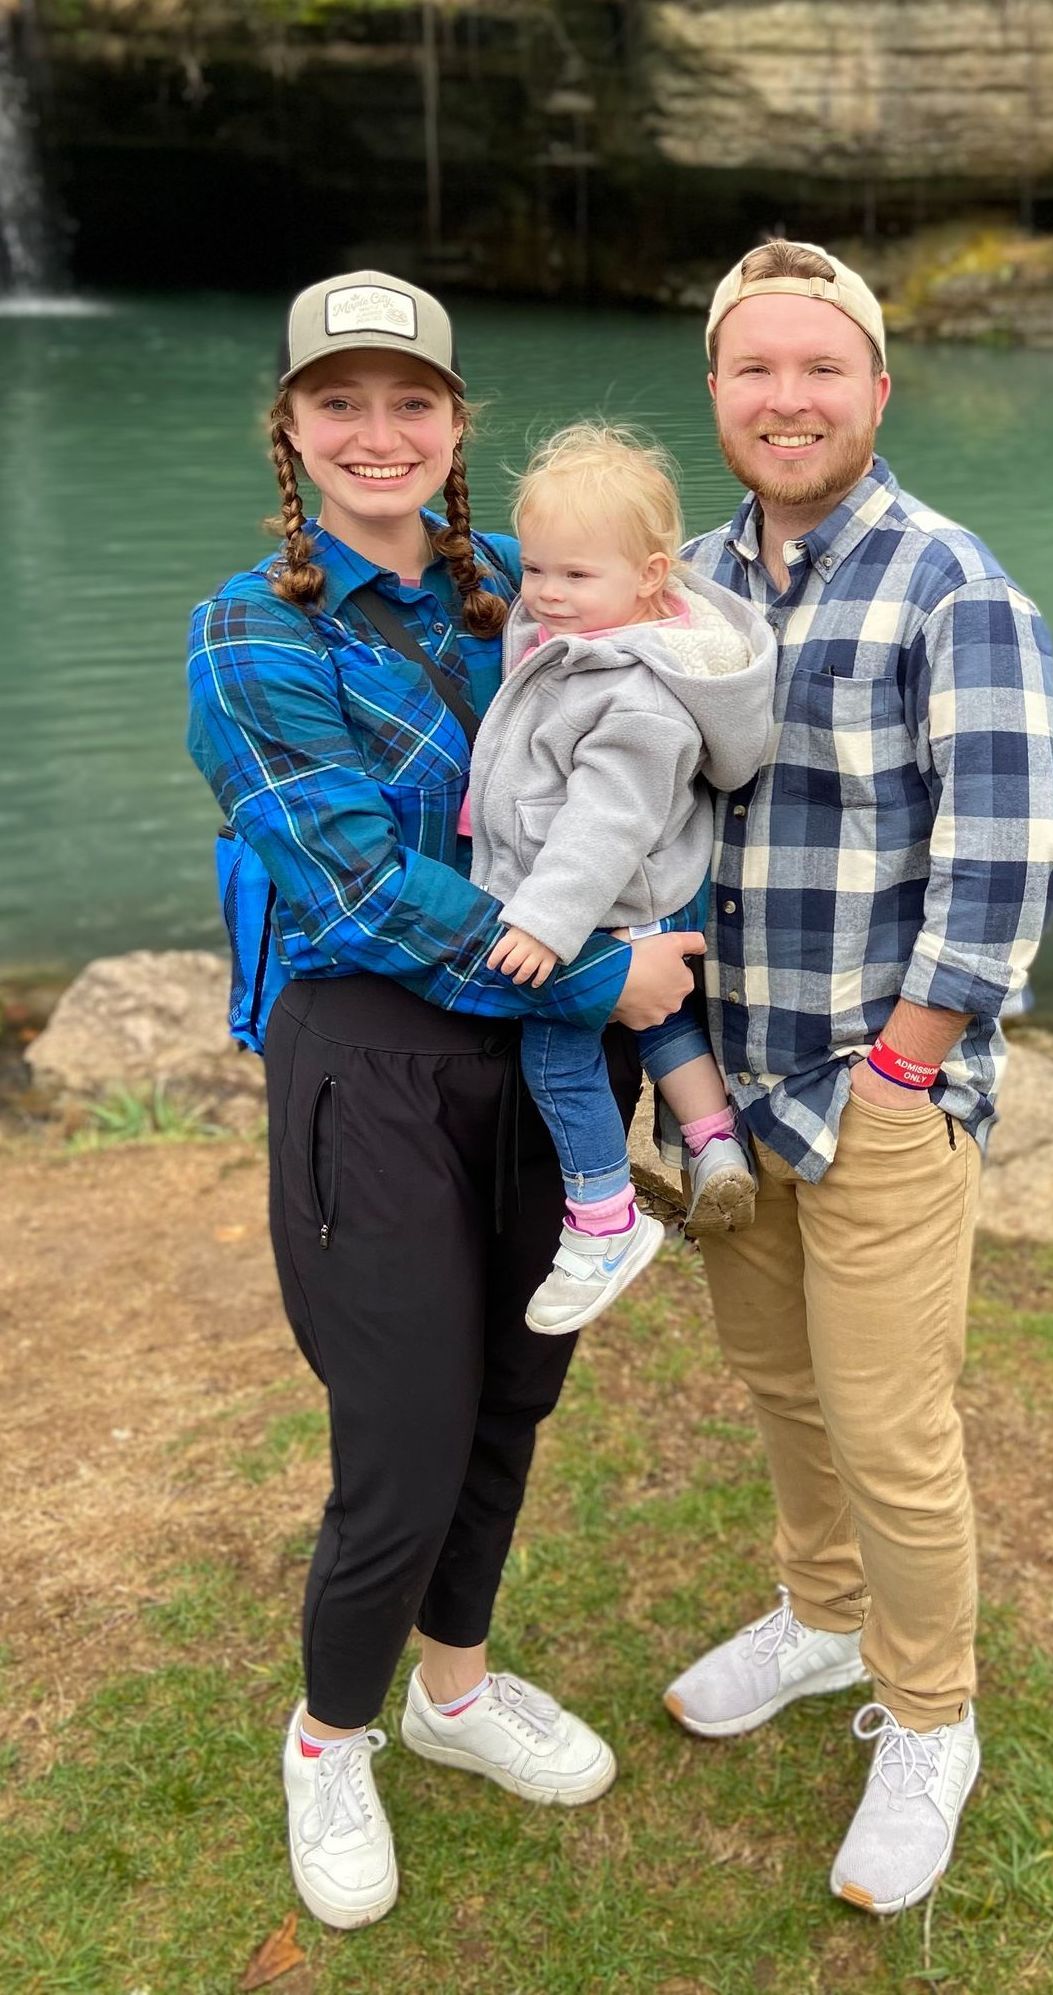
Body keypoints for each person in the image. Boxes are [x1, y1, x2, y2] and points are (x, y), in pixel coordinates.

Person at [185, 271, 701, 1932]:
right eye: (339, 402)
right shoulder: (250, 628)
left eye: (408, 400)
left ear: (455, 421)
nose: (377, 432)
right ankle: (329, 1735)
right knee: (399, 1431)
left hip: (550, 1061)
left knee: (512, 1397)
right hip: (379, 1063)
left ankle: (454, 1692)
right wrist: (601, 971)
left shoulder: (530, 591)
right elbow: (345, 888)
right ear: (290, 426)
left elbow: (672, 736)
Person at [661, 241, 1053, 1914]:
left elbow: (1005, 858)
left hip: (873, 1094)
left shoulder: (949, 586)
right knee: (780, 1389)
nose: (785, 397)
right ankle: (820, 1620)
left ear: (875, 391)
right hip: (726, 1097)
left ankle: (927, 1718)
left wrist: (908, 1064)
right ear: (716, 394)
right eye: (753, 369)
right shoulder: (680, 581)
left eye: (818, 368)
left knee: (894, 1426)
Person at [469, 422, 775, 1335]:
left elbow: (606, 822)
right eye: (536, 571)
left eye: (574, 576)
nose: (546, 595)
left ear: (649, 576)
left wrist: (545, 923)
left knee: (558, 1047)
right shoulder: (613, 632)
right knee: (664, 1020)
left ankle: (603, 1217)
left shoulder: (636, 694)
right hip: (650, 895)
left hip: (605, 898)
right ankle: (715, 1140)